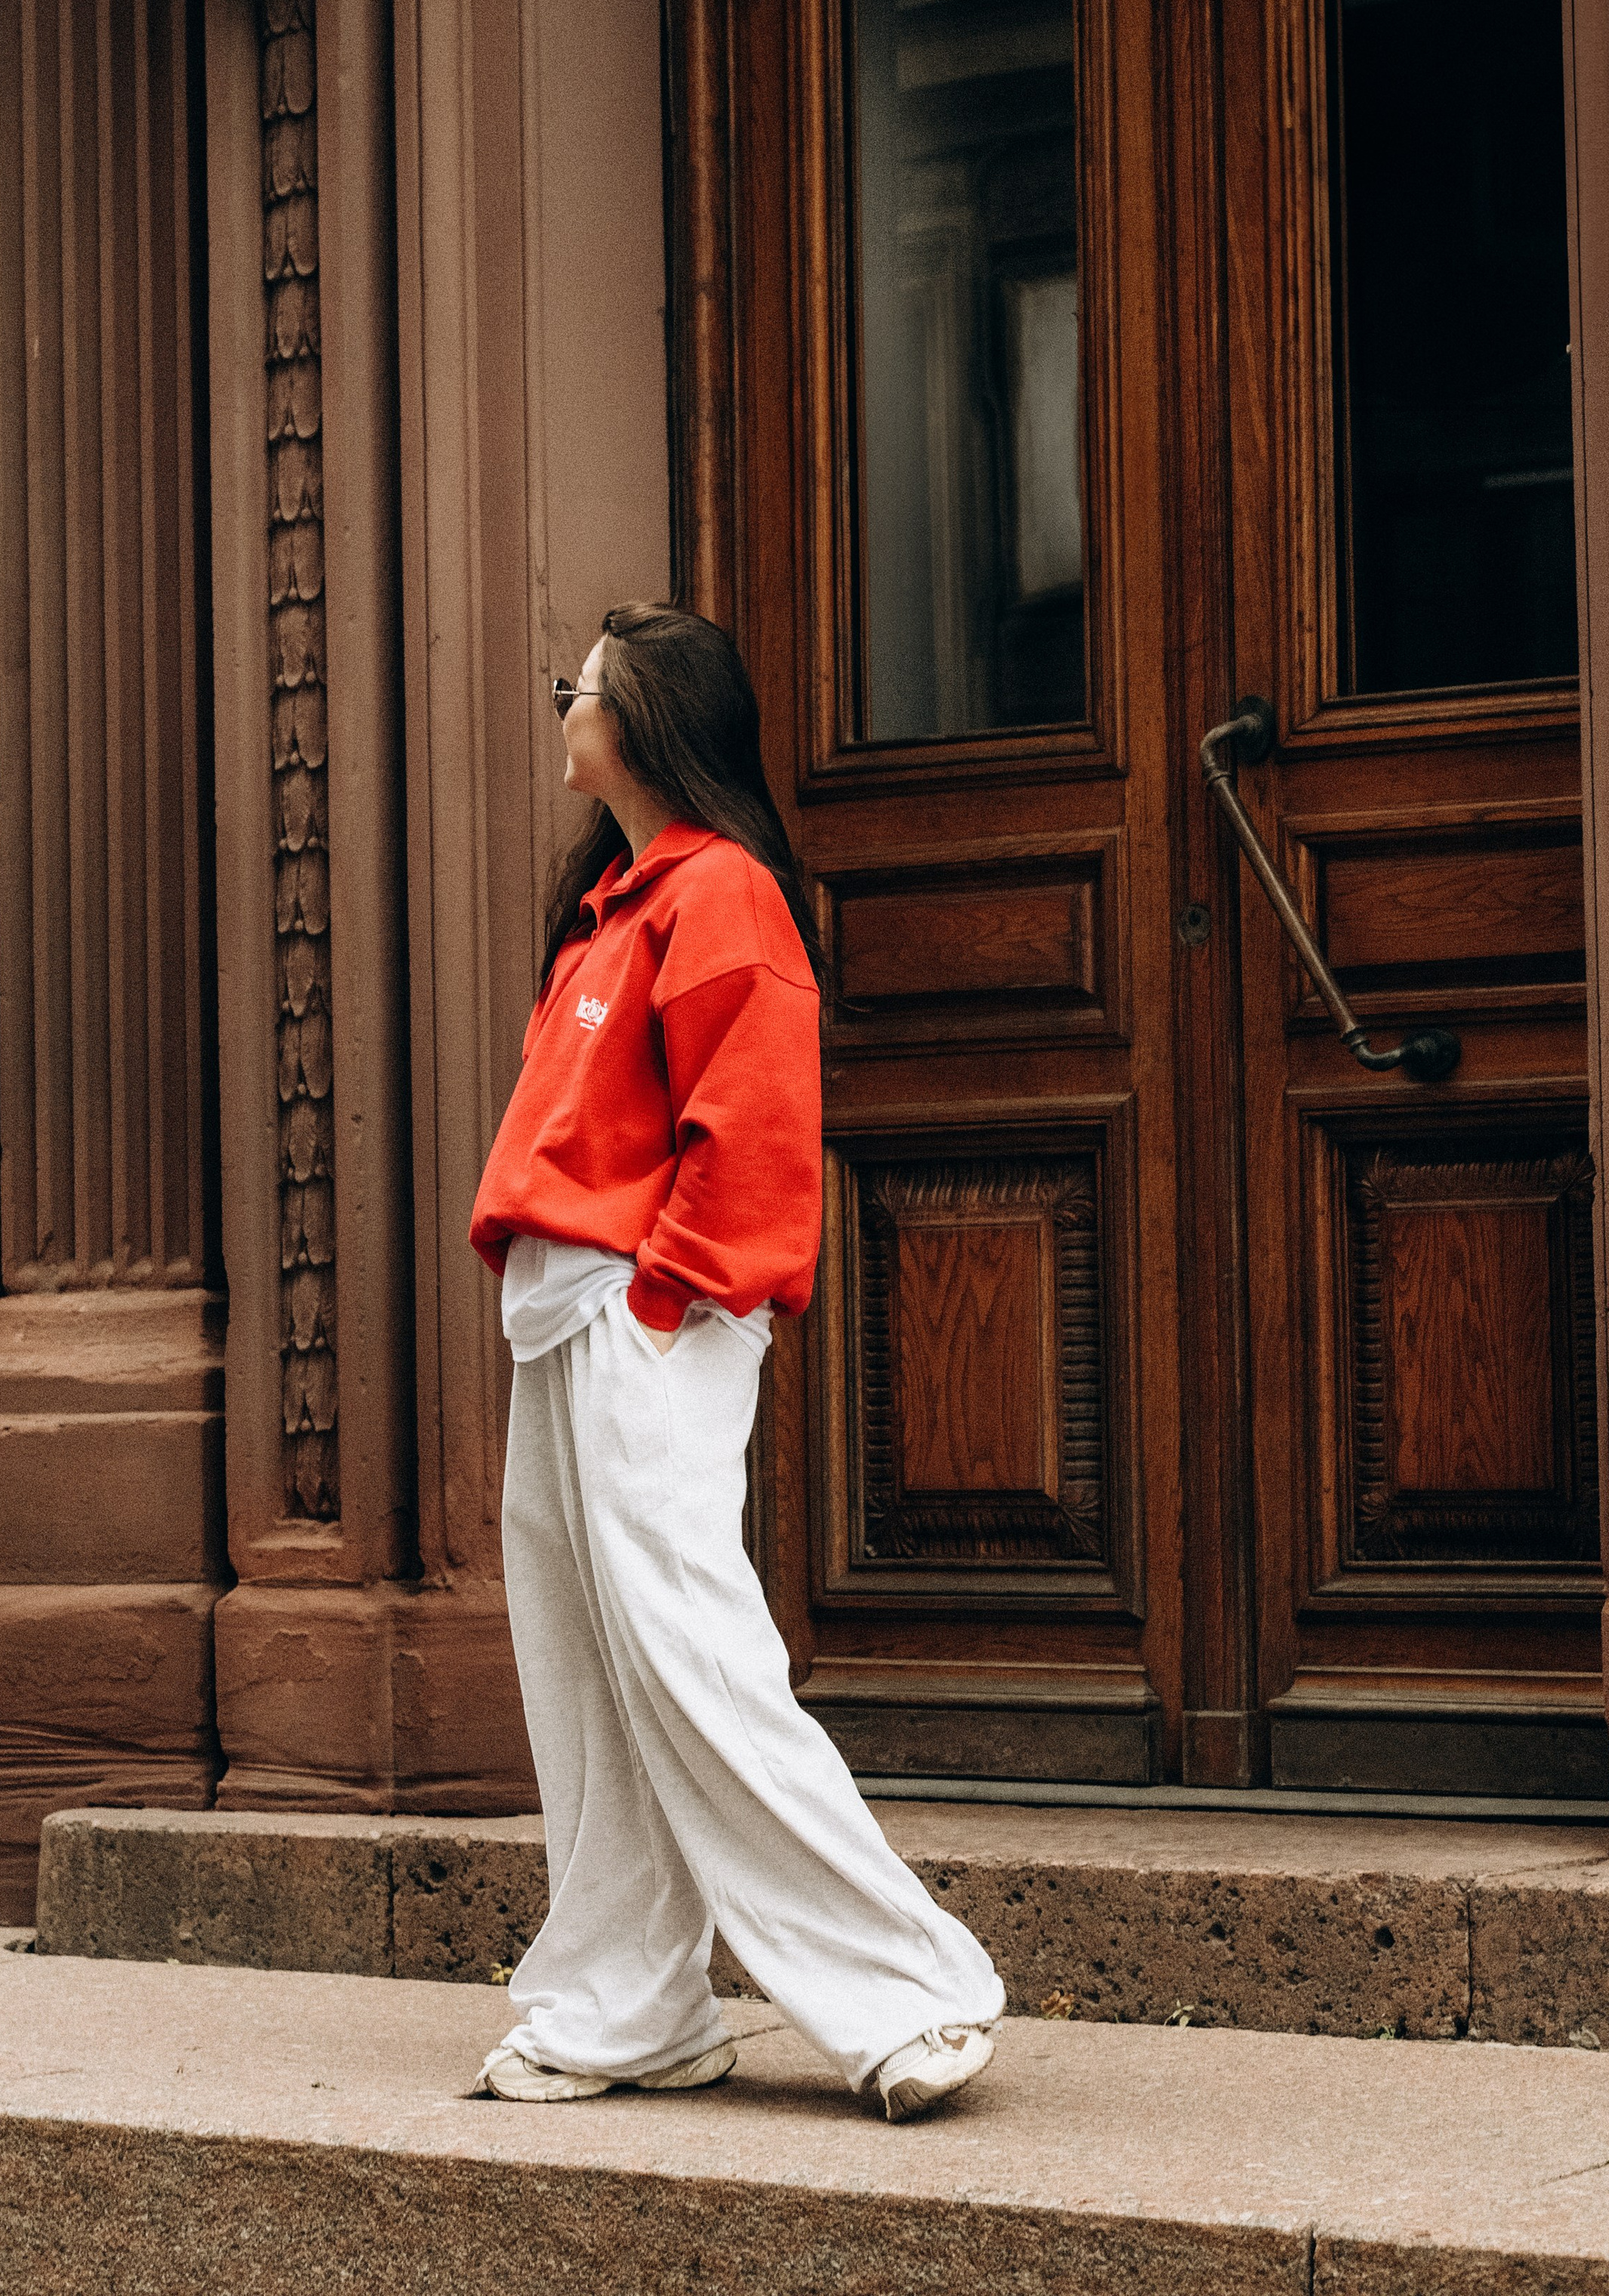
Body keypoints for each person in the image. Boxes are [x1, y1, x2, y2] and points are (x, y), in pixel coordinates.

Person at [467, 601, 1004, 2121]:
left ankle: (907, 1995)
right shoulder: (615, 906)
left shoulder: (721, 895)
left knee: (693, 1661)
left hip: (647, 1320)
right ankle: (628, 2008)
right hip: (569, 1320)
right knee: (589, 1675)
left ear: (637, 724)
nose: (561, 703)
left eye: (579, 688)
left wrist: (667, 1301)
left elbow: (755, 1120)